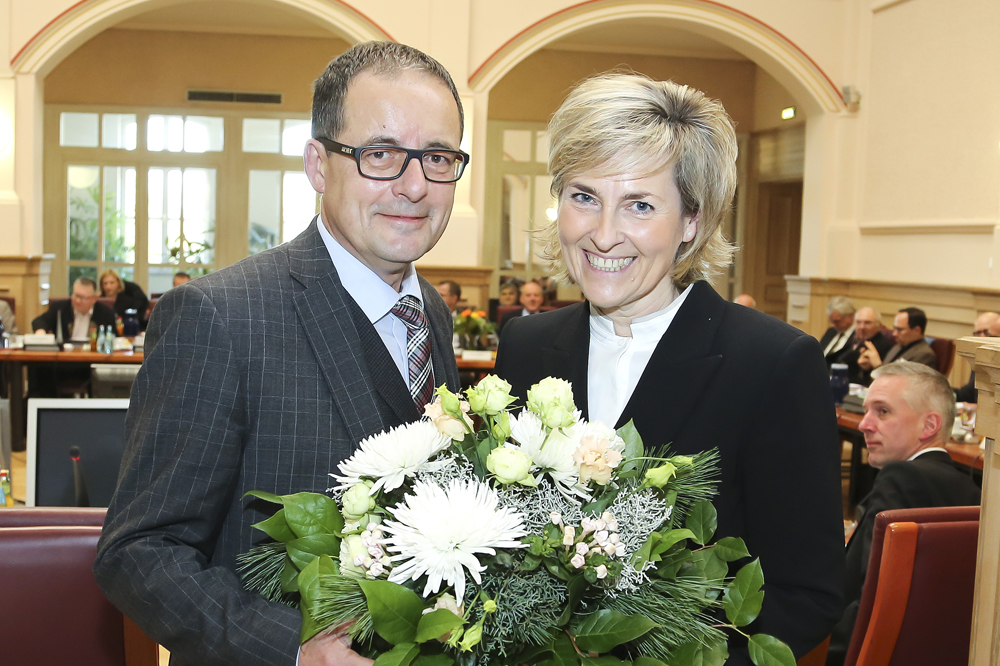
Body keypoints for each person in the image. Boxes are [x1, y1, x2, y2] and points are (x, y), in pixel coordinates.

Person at [94, 41, 466, 666]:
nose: (413, 186)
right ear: (319, 165)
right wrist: (292, 651)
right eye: (379, 154)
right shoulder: (219, 317)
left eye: (437, 157)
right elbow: (138, 553)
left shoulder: (431, 310)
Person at [495, 73, 844, 663]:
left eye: (639, 205)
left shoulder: (771, 363)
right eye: (584, 197)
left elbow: (805, 595)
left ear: (691, 222)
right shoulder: (526, 344)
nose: (604, 235)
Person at [825, 362, 980, 666]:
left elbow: (874, 601)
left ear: (929, 425)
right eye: (866, 411)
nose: (864, 424)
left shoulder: (902, 477)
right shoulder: (971, 490)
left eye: (882, 411)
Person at [32, 276, 116, 340]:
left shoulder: (106, 313)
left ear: (94, 299)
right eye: (76, 295)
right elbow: (39, 321)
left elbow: (114, 337)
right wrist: (40, 331)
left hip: (94, 355)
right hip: (65, 354)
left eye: (83, 298)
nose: (77, 301)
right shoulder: (60, 308)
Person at [859, 307, 937, 372]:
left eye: (899, 329)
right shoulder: (897, 346)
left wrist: (878, 365)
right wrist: (867, 368)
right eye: (895, 328)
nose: (894, 334)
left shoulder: (925, 355)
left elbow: (906, 383)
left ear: (917, 330)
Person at [832, 307, 892, 386]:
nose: (862, 327)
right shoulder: (854, 339)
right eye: (858, 322)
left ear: (879, 325)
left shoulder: (885, 345)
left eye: (867, 323)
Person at [955, 311, 1000, 402]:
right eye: (978, 333)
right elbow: (969, 393)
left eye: (986, 332)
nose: (982, 337)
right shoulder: (981, 357)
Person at [818, 296, 856, 365]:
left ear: (850, 316)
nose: (834, 325)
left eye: (837, 321)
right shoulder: (831, 331)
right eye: (832, 321)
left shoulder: (857, 337)